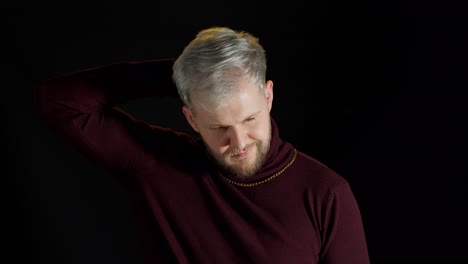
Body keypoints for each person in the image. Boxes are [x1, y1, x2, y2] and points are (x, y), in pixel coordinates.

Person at [34, 26, 370, 263]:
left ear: (268, 96)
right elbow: (57, 100)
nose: (238, 143)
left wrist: (217, 77)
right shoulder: (158, 165)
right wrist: (192, 77)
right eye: (219, 127)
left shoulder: (326, 193)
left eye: (250, 120)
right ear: (192, 118)